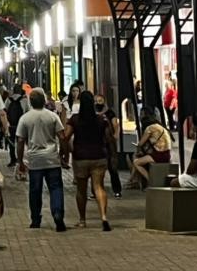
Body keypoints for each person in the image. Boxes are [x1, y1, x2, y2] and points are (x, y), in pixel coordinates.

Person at [16, 88, 68, 231]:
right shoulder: (52, 116)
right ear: (44, 101)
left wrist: (20, 160)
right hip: (52, 158)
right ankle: (57, 213)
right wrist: (64, 154)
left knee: (35, 190)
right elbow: (62, 137)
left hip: (34, 160)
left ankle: (35, 219)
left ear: (30, 102)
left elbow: (20, 141)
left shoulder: (25, 118)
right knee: (56, 188)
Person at [63, 90, 114, 231]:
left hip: (81, 157)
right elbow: (110, 138)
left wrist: (67, 151)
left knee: (81, 190)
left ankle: (82, 220)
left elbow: (66, 137)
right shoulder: (101, 119)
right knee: (99, 187)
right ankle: (103, 216)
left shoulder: (75, 119)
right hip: (99, 156)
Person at [133, 107, 174, 185]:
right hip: (167, 154)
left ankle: (150, 181)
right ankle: (133, 180)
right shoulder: (159, 126)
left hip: (159, 155)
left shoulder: (150, 128)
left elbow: (141, 144)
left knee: (136, 162)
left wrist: (138, 148)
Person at [95, 95, 123, 198]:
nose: (98, 103)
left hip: (109, 143)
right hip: (98, 143)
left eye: (100, 100)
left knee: (112, 167)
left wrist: (115, 134)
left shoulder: (110, 113)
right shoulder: (93, 113)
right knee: (97, 169)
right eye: (97, 101)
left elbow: (115, 124)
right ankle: (97, 191)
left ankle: (117, 190)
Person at [4, 84, 28, 169]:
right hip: (21, 125)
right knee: (20, 142)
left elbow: (5, 111)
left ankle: (12, 159)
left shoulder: (8, 99)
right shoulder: (24, 100)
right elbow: (27, 112)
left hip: (11, 125)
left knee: (11, 143)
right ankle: (20, 159)